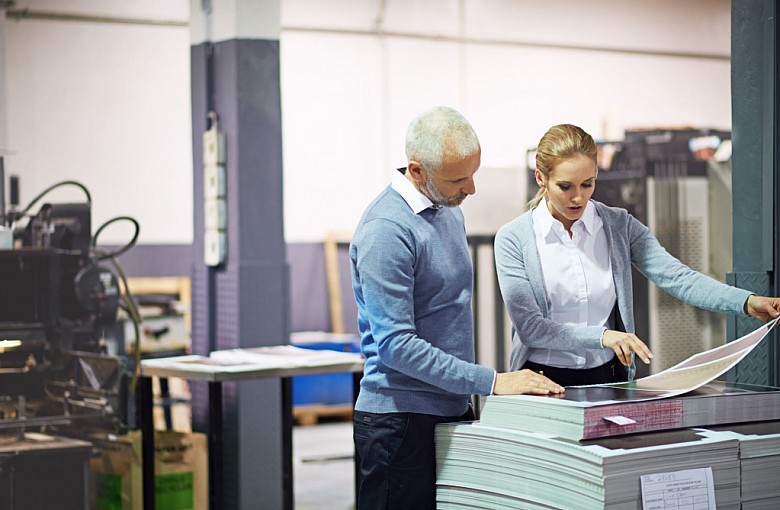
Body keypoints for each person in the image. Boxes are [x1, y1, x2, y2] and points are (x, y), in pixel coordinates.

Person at [349, 106, 564, 510]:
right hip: (399, 423)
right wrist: (492, 381)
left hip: (450, 410)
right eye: (458, 179)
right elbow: (397, 347)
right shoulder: (386, 231)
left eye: (473, 173)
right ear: (416, 171)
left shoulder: (446, 210)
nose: (471, 189)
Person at [494, 123, 780, 387]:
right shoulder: (513, 238)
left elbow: (678, 277)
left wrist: (745, 302)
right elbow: (531, 328)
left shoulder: (618, 225)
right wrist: (602, 336)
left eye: (588, 184)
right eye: (565, 187)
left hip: (606, 377)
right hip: (540, 380)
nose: (578, 197)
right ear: (541, 178)